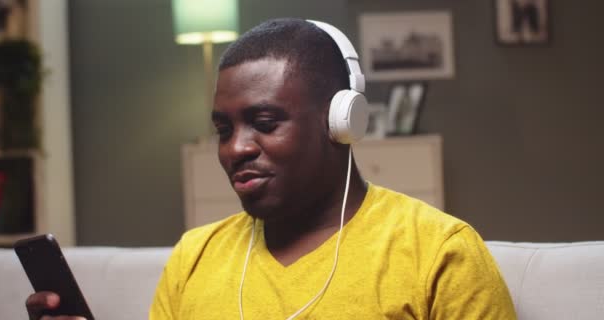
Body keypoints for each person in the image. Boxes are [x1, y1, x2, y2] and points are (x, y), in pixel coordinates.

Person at [25, 18, 516, 319]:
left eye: (264, 122)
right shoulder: (194, 257)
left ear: (340, 122)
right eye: (223, 129)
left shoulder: (439, 254)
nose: (236, 149)